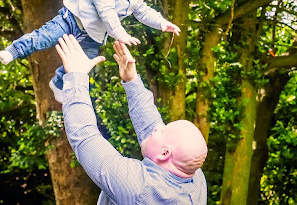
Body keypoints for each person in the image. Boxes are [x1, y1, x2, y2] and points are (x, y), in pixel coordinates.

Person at [0, 0, 181, 102]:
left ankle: (58, 82)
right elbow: (107, 12)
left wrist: (161, 23)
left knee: (82, 63)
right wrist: (121, 34)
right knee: (44, 38)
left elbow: (142, 11)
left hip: (93, 35)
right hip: (72, 19)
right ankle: (13, 51)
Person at [55, 34, 208, 204]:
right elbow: (152, 128)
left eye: (162, 131)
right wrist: (132, 80)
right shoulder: (195, 179)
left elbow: (84, 137)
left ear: (165, 153)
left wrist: (76, 76)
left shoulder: (139, 188)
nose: (158, 127)